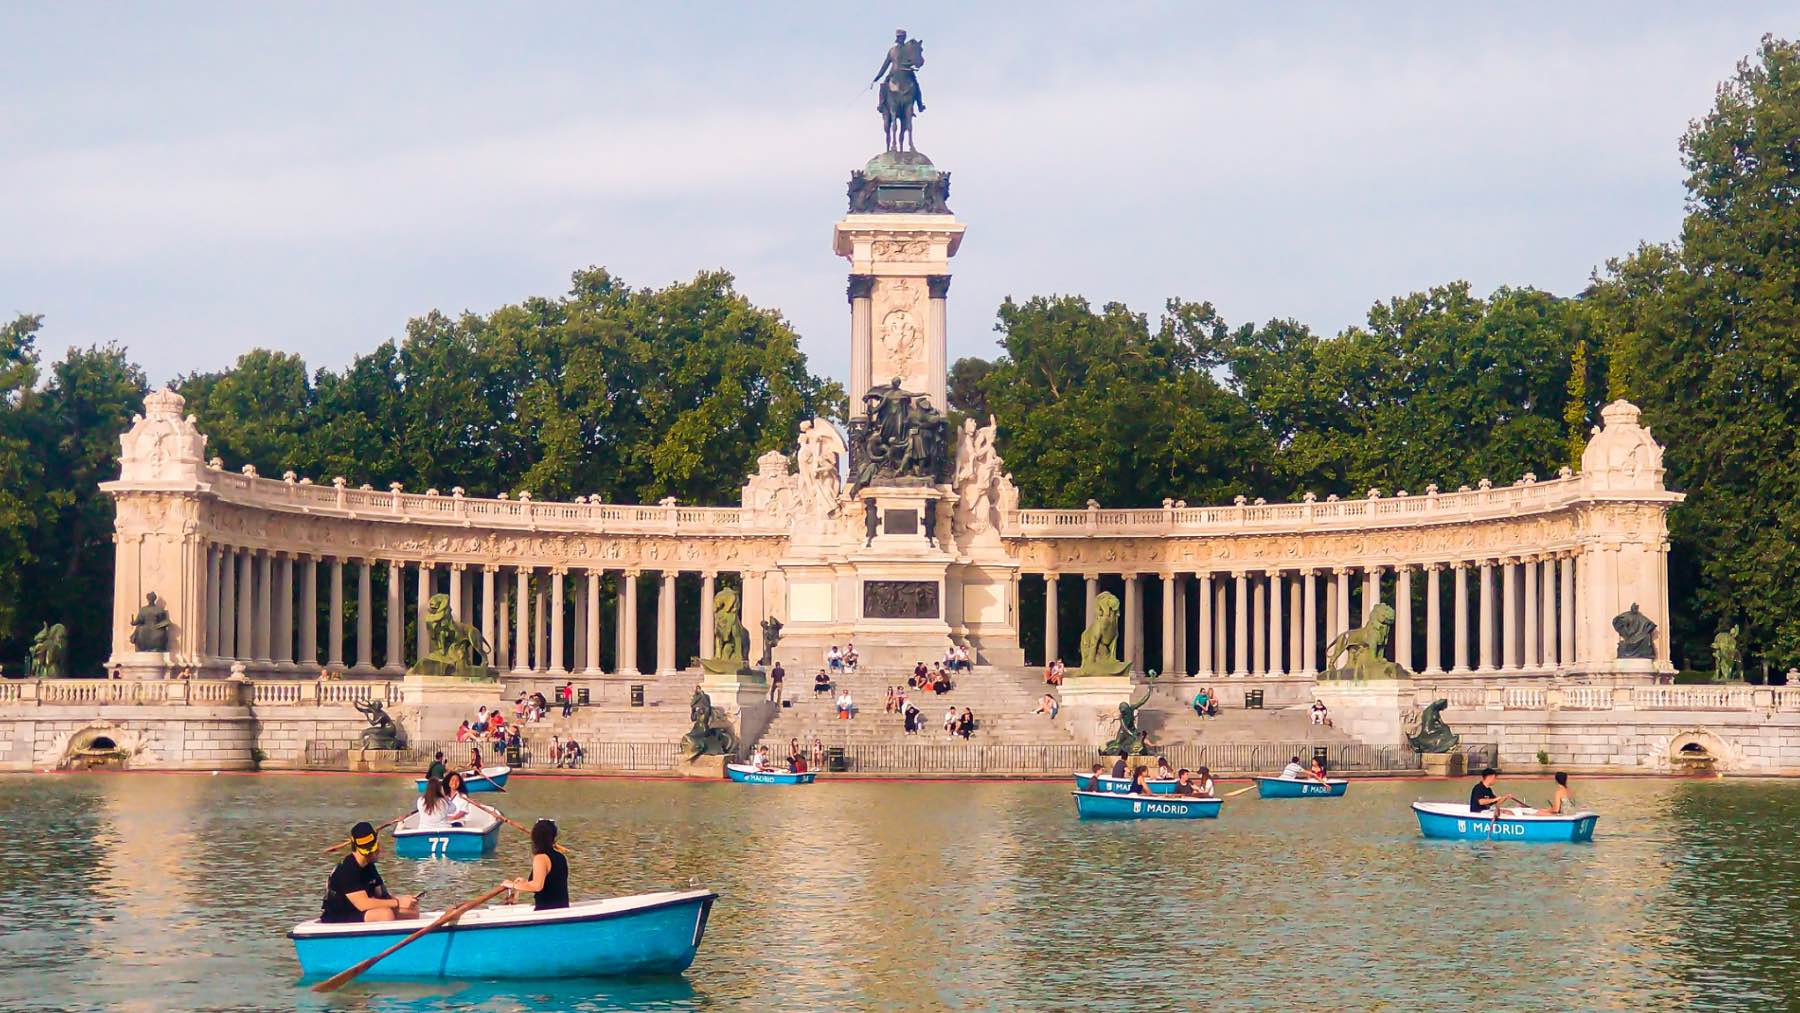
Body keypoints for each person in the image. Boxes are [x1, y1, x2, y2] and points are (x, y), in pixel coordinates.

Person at [320, 821, 418, 923]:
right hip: (337, 917)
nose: (378, 851)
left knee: (411, 911)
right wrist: (398, 902)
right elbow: (364, 904)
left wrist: (404, 900)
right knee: (385, 914)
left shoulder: (369, 866)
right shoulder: (347, 870)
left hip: (358, 912)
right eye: (374, 849)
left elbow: (383, 897)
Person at [502, 819, 569, 912]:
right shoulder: (560, 857)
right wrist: (524, 883)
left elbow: (537, 886)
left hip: (547, 911)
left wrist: (512, 885)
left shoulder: (541, 858)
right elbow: (550, 884)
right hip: (562, 908)